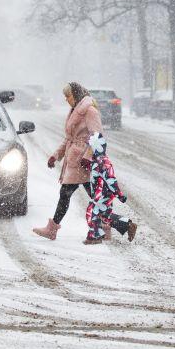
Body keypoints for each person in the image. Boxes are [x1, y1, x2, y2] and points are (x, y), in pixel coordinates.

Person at [32, 82, 137, 244]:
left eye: (68, 96)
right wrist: (56, 156)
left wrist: (88, 157)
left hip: (84, 162)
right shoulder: (75, 110)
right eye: (65, 97)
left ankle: (52, 230)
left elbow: (98, 136)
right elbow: (69, 138)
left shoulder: (89, 110)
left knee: (65, 195)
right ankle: (121, 225)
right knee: (91, 199)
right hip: (76, 160)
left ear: (76, 94)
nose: (66, 99)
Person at [83, 132, 137, 244]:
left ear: (96, 146)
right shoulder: (97, 160)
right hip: (101, 193)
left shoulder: (102, 162)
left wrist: (119, 195)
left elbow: (111, 180)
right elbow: (97, 173)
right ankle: (127, 225)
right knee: (104, 215)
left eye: (90, 146)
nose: (88, 149)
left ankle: (95, 236)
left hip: (104, 194)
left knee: (92, 211)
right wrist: (88, 165)